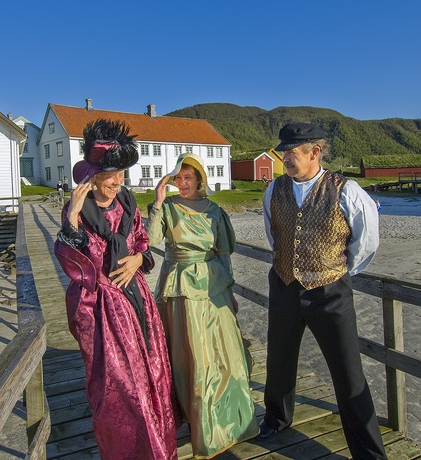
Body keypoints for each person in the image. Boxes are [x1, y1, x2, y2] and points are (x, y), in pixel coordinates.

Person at [260, 122, 387, 459]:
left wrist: (334, 270)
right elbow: (275, 235)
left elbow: (365, 243)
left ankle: (368, 452)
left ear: (314, 152)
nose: (285, 157)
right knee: (279, 358)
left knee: (348, 373)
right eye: (283, 151)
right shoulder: (274, 189)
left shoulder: (348, 190)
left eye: (292, 151)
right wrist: (290, 264)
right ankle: (276, 417)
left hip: (329, 292)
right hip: (285, 286)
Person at [53, 119, 177, 459]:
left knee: (151, 374)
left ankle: (160, 445)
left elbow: (141, 243)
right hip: (106, 311)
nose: (118, 182)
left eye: (121, 175)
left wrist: (138, 260)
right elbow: (75, 266)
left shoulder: (128, 203)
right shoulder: (76, 211)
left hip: (138, 305)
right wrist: (72, 220)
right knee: (122, 388)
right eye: (111, 177)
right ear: (92, 177)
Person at [146, 153, 259, 459]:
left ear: (199, 179)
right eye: (178, 178)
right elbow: (151, 240)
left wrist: (230, 291)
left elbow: (223, 254)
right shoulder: (168, 207)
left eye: (188, 178)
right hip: (179, 288)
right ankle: (196, 423)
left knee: (225, 355)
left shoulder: (216, 212)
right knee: (192, 358)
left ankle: (230, 421)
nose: (182, 184)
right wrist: (158, 200)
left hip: (213, 286)